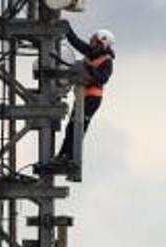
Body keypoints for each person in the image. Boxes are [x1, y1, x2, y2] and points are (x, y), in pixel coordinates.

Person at [51, 22, 115, 167]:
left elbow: (102, 79)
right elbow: (76, 42)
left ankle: (70, 157)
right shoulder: (91, 53)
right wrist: (67, 28)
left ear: (102, 43)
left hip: (92, 99)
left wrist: (91, 68)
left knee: (79, 126)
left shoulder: (107, 61)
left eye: (94, 41)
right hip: (82, 96)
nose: (91, 43)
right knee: (71, 127)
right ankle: (63, 156)